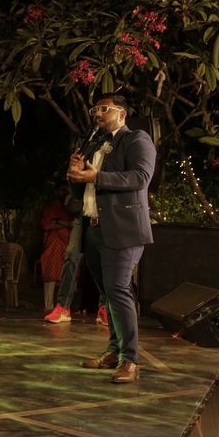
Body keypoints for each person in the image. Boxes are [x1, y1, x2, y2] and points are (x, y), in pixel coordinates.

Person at [67, 94, 155, 383]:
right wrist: (75, 175)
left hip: (123, 229)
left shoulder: (137, 139)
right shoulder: (94, 143)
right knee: (107, 294)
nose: (97, 114)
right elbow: (85, 189)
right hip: (93, 228)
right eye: (95, 109)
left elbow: (140, 177)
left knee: (118, 290)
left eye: (104, 109)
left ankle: (130, 360)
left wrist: (96, 177)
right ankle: (115, 350)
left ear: (122, 113)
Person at [39, 183, 72, 312]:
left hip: (67, 245)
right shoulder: (50, 207)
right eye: (62, 190)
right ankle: (49, 306)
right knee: (50, 274)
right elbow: (46, 225)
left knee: (69, 274)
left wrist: (57, 222)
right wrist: (62, 224)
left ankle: (65, 307)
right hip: (52, 246)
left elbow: (72, 224)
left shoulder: (69, 207)